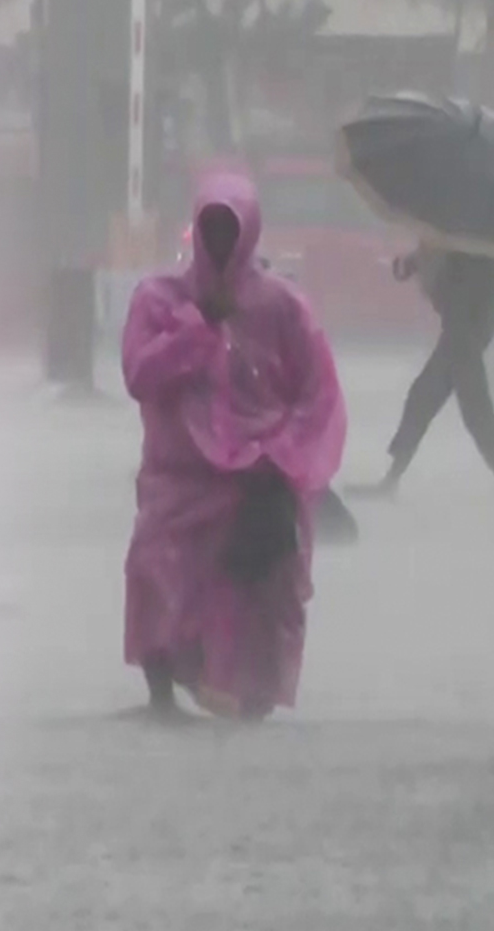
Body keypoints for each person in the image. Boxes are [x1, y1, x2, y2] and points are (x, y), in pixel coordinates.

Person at [121, 167, 347, 722]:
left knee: (264, 590)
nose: (221, 245)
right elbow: (139, 375)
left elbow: (318, 395)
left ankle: (252, 697)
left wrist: (283, 457)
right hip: (179, 475)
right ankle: (162, 693)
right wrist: (197, 329)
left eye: (231, 231)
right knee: (156, 567)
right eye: (211, 230)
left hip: (260, 475)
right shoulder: (159, 299)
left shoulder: (283, 308)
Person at [356, 243, 494, 498]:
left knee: (471, 410)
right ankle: (392, 478)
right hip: (461, 335)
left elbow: (455, 300)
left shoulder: (489, 256)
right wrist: (419, 262)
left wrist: (429, 270)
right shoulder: (472, 243)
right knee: (424, 399)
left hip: (465, 338)